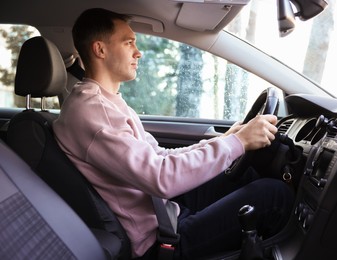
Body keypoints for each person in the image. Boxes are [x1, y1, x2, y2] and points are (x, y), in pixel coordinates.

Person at [53, 8, 294, 259]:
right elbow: (161, 177)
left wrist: (226, 140)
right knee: (274, 195)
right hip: (160, 239)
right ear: (100, 50)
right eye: (128, 43)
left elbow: (159, 156)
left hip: (163, 210)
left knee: (246, 176)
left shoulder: (106, 101)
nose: (139, 52)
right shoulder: (94, 111)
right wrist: (238, 142)